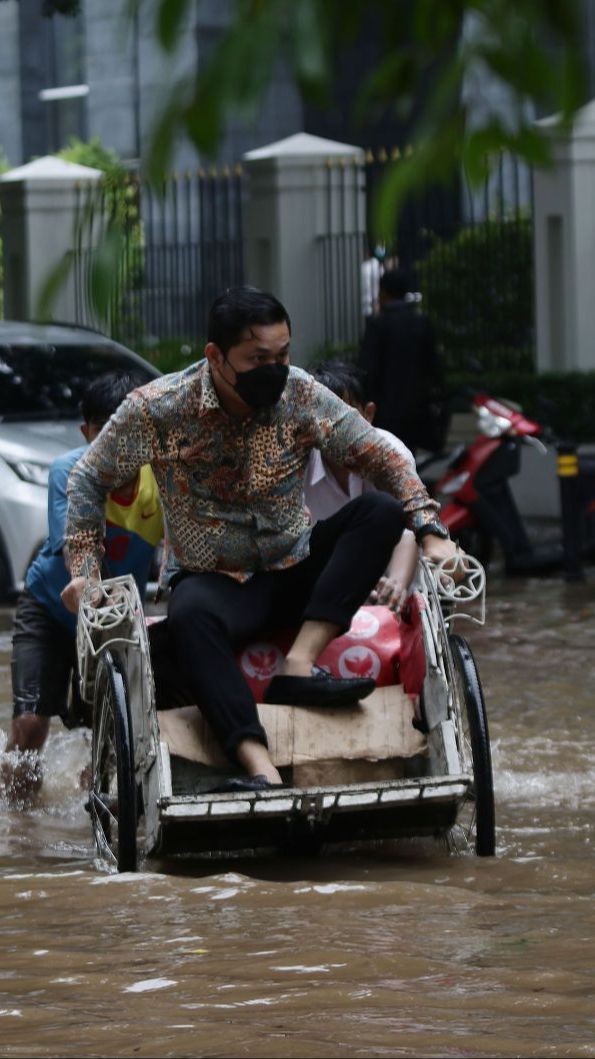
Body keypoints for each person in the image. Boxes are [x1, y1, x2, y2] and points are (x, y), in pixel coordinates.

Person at [61, 286, 461, 793]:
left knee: (379, 512)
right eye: (258, 359)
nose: (274, 369)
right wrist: (85, 574)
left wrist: (430, 531)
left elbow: (380, 455)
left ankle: (299, 661)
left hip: (295, 567)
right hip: (215, 585)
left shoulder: (301, 394)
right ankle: (260, 769)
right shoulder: (158, 409)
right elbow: (88, 478)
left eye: (282, 355)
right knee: (190, 615)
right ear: (216, 356)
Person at [2, 371, 163, 801]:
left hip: (115, 614)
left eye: (124, 433)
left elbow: (182, 546)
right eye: (102, 434)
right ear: (86, 433)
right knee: (31, 727)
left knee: (111, 737)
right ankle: (18, 828)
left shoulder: (161, 480)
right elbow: (75, 546)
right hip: (53, 608)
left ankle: (95, 817)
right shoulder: (68, 471)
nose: (114, 447)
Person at [306, 360, 419, 613]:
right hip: (319, 589)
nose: (334, 430)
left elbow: (409, 528)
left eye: (346, 417)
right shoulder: (293, 460)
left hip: (390, 589)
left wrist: (396, 585)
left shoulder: (391, 453)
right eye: (323, 418)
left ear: (368, 414)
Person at [359, 267, 448, 456]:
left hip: (385, 414)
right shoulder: (422, 322)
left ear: (383, 292)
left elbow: (368, 371)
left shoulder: (378, 325)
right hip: (417, 411)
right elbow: (435, 369)